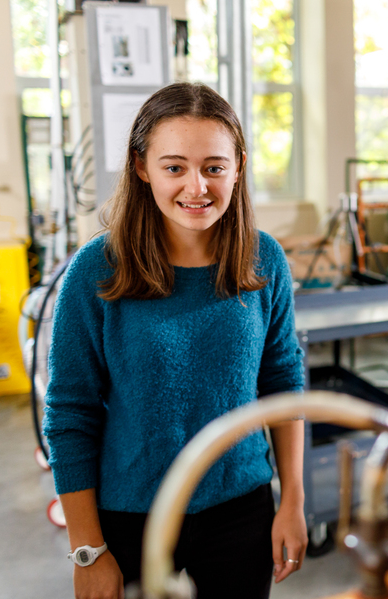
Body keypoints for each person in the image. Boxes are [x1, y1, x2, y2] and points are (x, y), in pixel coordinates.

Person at [43, 82, 307, 599]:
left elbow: (283, 381)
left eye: (213, 166)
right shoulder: (95, 270)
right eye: (174, 167)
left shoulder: (263, 260)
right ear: (141, 167)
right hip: (129, 518)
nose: (196, 187)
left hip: (240, 507)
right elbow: (69, 413)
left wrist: (293, 500)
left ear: (238, 167)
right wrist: (88, 549)